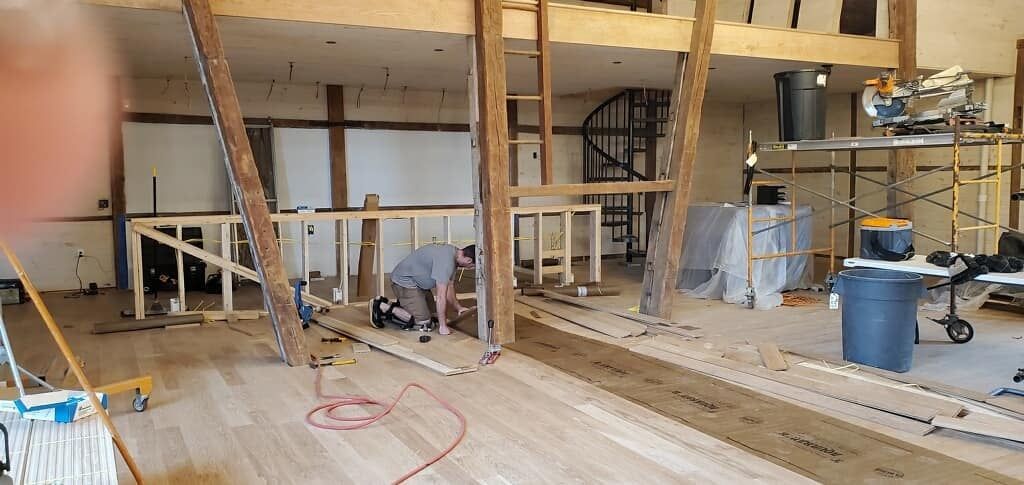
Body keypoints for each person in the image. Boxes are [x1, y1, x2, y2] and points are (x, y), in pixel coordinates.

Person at [370, 244, 476, 335]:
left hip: (418, 285)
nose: (470, 268)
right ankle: (381, 306)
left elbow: (449, 287)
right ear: (469, 260)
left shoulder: (453, 253)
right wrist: (443, 327)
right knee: (424, 322)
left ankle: (405, 307)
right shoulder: (446, 262)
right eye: (471, 266)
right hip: (404, 283)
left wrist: (458, 307)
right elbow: (440, 297)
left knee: (434, 315)